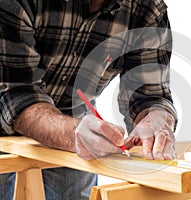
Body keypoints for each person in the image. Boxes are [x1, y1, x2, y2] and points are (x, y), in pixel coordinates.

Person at [0, 0, 177, 199]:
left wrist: (156, 120)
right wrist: (72, 132)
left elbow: (150, 94)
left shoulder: (146, 8)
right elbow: (15, 93)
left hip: (72, 117)